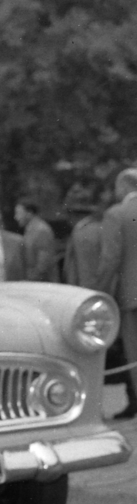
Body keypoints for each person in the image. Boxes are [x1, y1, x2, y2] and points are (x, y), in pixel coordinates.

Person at [97, 167, 137, 420]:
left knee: (135, 353)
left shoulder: (117, 214)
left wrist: (99, 295)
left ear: (123, 187)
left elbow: (110, 259)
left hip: (132, 296)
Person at [15, 197, 58, 281]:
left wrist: (29, 282)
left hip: (43, 284)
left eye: (19, 213)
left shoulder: (41, 230)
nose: (16, 217)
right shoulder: (30, 229)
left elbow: (43, 265)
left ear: (29, 213)